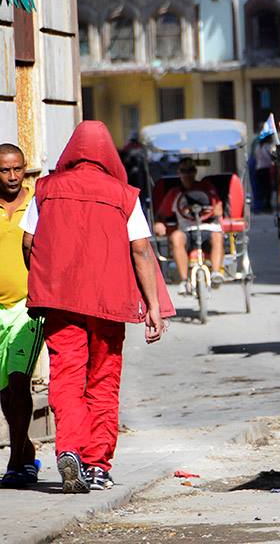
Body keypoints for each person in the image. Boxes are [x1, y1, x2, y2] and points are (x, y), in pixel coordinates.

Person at [20, 121, 174, 493]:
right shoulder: (123, 194)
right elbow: (140, 249)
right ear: (108, 154)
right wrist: (153, 306)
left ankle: (68, 447)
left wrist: (45, 276)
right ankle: (96, 465)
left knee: (67, 376)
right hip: (108, 301)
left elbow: (28, 243)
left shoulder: (45, 189)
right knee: (103, 380)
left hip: (60, 300)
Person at [0, 144, 44, 488]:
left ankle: (16, 463)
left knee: (19, 381)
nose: (12, 177)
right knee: (3, 391)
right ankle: (26, 451)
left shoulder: (38, 204)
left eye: (17, 169)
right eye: (4, 170)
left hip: (29, 307)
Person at [152, 158, 226, 293]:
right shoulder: (174, 193)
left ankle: (216, 273)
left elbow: (218, 205)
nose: (187, 174)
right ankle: (184, 281)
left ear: (195, 172)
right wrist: (159, 224)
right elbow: (161, 214)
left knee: (217, 236)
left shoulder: (207, 188)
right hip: (186, 230)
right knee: (176, 237)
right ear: (179, 173)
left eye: (190, 170)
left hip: (208, 227)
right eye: (184, 171)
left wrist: (217, 209)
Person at [253, 138, 274, 213]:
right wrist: (272, 163)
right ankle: (266, 206)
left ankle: (261, 206)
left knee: (262, 189)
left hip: (259, 169)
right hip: (265, 169)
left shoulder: (258, 147)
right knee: (267, 189)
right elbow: (268, 158)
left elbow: (256, 157)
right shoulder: (266, 146)